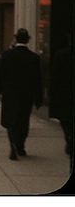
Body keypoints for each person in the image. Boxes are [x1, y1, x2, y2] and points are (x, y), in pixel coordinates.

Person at [0, 28, 42, 160]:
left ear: (15, 38)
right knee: (23, 120)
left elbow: (0, 76)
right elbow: (37, 79)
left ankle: (12, 145)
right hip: (26, 95)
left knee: (11, 120)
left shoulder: (6, 55)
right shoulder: (34, 58)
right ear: (28, 40)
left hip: (10, 94)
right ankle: (20, 146)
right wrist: (38, 97)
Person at [49, 34, 73, 165]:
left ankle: (69, 137)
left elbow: (55, 76)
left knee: (65, 119)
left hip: (64, 92)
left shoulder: (61, 55)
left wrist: (52, 93)